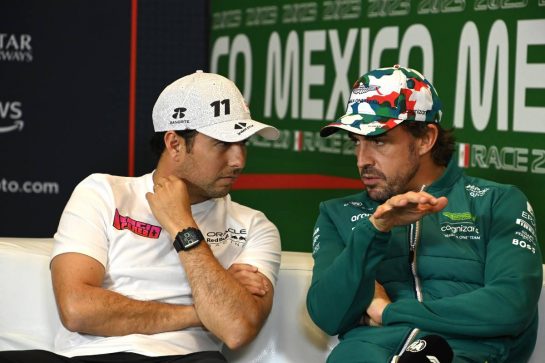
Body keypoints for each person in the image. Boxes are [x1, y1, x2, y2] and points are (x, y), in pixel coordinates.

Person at [0, 71, 281, 363]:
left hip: (186, 359)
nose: (238, 161)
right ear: (175, 144)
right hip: (89, 355)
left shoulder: (254, 226)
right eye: (223, 144)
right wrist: (203, 314)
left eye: (244, 143)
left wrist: (182, 226)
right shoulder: (102, 192)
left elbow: (235, 328)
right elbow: (77, 309)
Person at [306, 65, 542, 363]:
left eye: (378, 141)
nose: (362, 160)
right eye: (356, 142)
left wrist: (387, 311)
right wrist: (375, 229)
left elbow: (510, 307)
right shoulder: (338, 214)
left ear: (425, 139)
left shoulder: (497, 203)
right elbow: (327, 316)